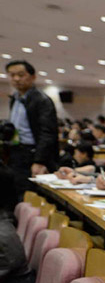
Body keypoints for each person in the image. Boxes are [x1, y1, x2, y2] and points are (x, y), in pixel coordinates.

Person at [5, 60, 58, 199]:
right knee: (15, 191)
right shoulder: (15, 99)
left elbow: (48, 133)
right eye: (12, 75)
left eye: (21, 75)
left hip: (32, 154)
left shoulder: (41, 100)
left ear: (33, 77)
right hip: (16, 152)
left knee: (29, 194)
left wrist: (39, 161)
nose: (16, 79)